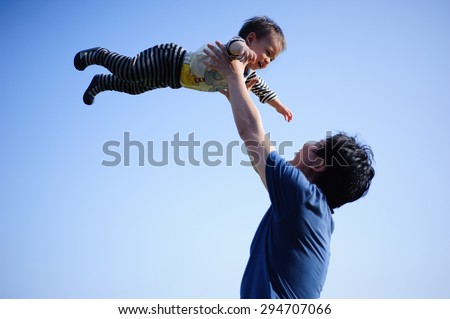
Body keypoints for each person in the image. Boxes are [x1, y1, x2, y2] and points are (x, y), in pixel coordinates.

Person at [203, 42, 375, 298]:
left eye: (316, 144)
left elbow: (252, 134)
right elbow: (258, 158)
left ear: (319, 164)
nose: (306, 143)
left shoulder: (301, 197)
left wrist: (233, 73)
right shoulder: (316, 213)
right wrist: (237, 94)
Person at [74, 16, 293, 122]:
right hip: (171, 59)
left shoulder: (244, 75)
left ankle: (101, 83)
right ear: (251, 39)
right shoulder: (234, 51)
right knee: (131, 70)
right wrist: (243, 49)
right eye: (268, 53)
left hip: (173, 80)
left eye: (272, 60)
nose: (268, 62)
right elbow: (234, 43)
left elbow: (262, 90)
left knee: (134, 88)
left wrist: (279, 106)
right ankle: (99, 54)